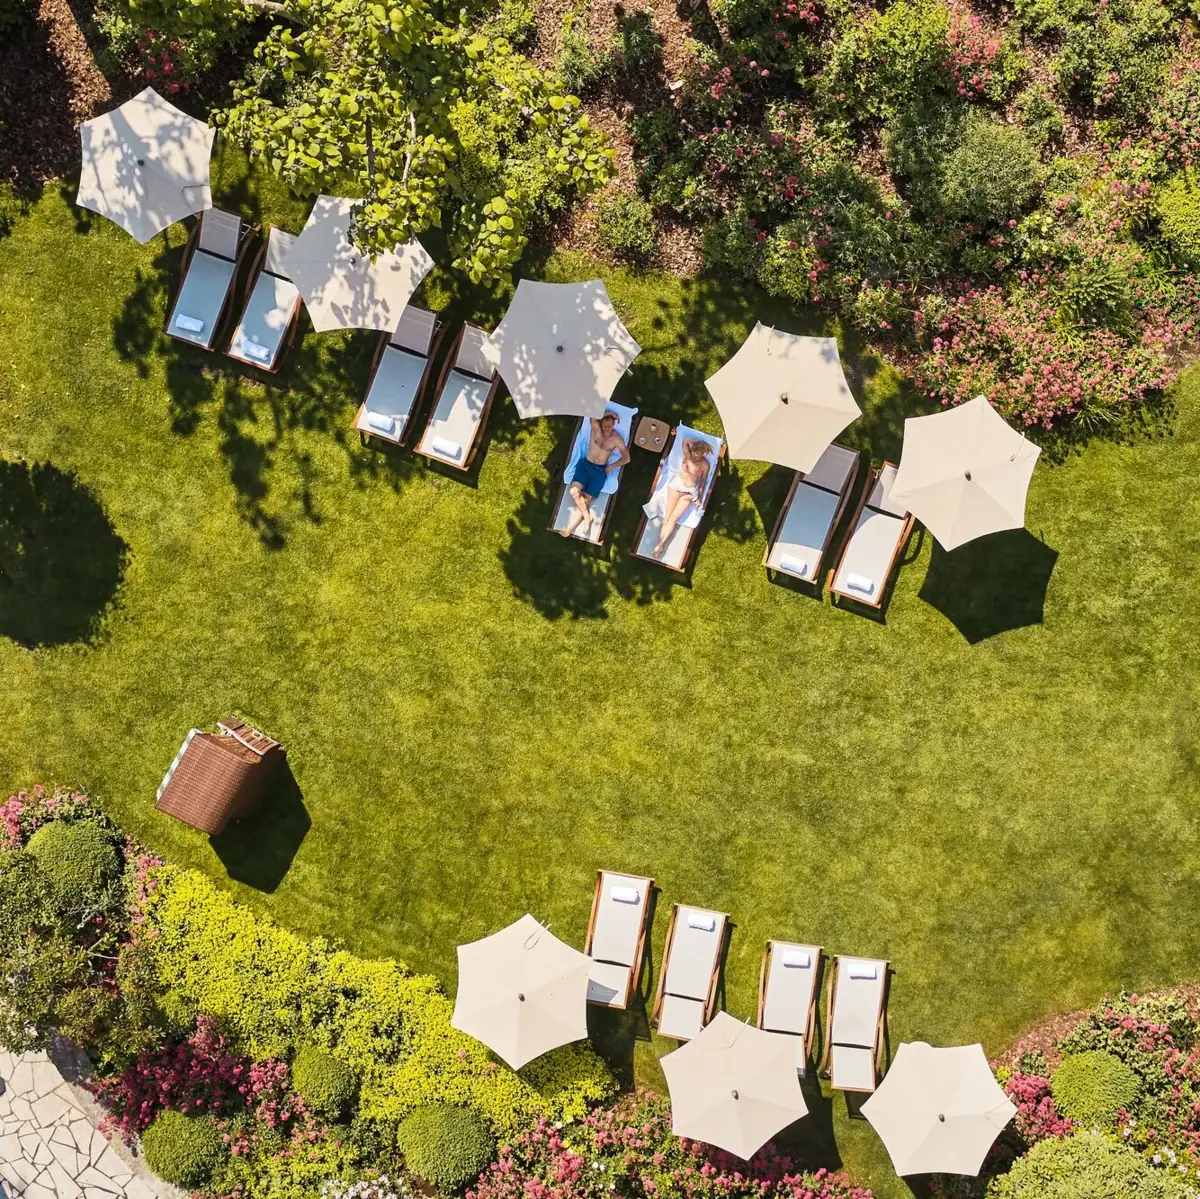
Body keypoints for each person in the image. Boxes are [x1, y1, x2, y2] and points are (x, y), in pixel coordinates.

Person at [560, 412, 631, 538]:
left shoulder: (616, 439)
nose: (606, 429)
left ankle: (569, 529)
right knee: (574, 492)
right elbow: (593, 413)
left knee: (586, 500)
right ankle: (587, 516)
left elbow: (627, 458)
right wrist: (609, 413)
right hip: (585, 466)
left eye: (609, 426)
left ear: (614, 424)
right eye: (604, 426)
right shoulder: (596, 429)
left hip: (599, 472)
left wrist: (612, 466)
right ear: (601, 423)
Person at [652, 437, 711, 558]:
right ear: (693, 450)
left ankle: (660, 543)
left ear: (703, 454)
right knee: (667, 517)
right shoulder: (687, 454)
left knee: (673, 518)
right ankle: (660, 544)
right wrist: (697, 443)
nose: (696, 458)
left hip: (689, 493)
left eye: (699, 456)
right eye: (695, 454)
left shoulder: (705, 465)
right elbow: (685, 440)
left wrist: (698, 497)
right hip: (675, 486)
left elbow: (703, 482)